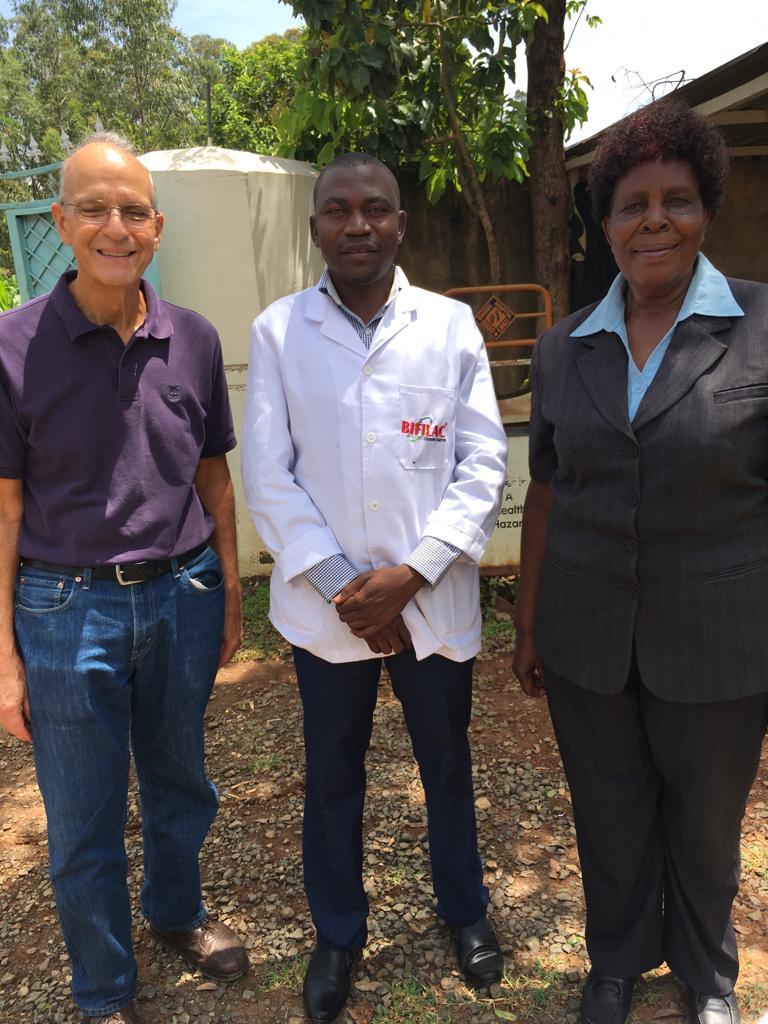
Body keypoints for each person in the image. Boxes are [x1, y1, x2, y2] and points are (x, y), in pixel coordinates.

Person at [513, 99, 768, 1024]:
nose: (654, 219)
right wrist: (530, 621)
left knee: (705, 823)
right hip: (587, 637)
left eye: (677, 200)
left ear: (706, 210)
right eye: (632, 204)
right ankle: (615, 961)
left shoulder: (760, 327)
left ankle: (707, 977)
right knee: (609, 812)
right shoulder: (561, 347)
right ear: (606, 224)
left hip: (722, 642)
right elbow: (547, 490)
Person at [242, 152, 508, 1022]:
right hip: (329, 616)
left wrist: (412, 575)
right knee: (332, 776)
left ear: (401, 223)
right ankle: (338, 932)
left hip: (427, 600)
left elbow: (483, 463)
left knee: (446, 765)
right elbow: (270, 479)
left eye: (377, 209)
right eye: (338, 211)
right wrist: (348, 590)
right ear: (315, 226)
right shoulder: (278, 331)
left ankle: (464, 911)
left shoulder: (450, 326)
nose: (358, 225)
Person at [0, 134, 248, 1024]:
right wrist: (5, 659)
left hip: (181, 593)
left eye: (133, 210)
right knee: (83, 816)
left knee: (182, 780)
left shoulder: (195, 339)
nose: (116, 227)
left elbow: (213, 477)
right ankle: (105, 990)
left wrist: (228, 585)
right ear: (60, 222)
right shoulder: (14, 346)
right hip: (64, 608)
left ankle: (176, 912)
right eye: (94, 209)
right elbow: (6, 511)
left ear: (158, 225)